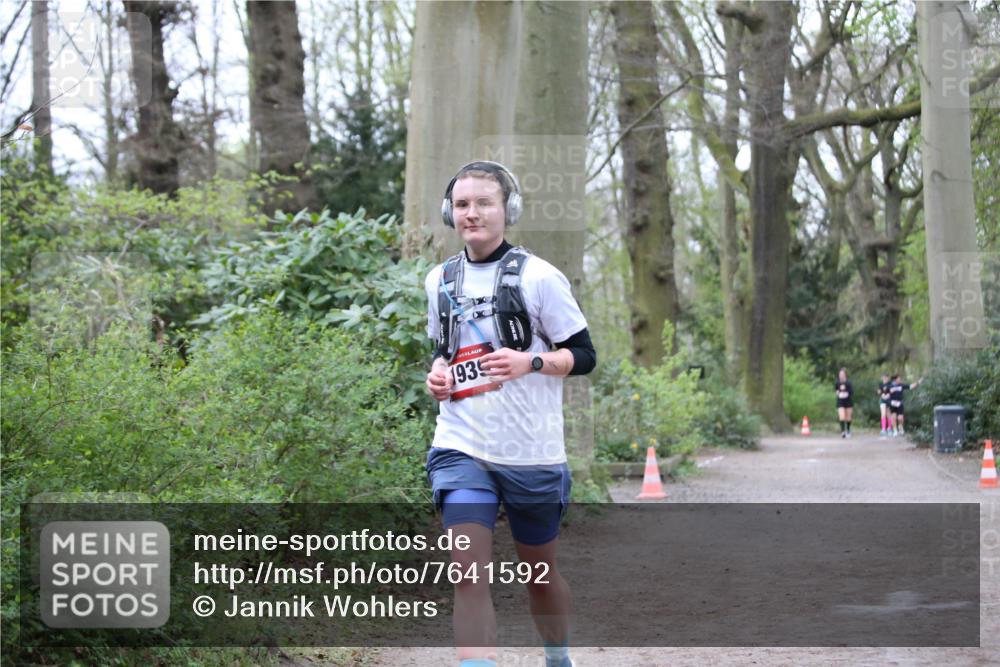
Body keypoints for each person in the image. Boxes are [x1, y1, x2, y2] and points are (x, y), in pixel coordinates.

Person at [424, 160, 595, 667]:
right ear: (449, 212)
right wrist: (437, 373)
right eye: (461, 204)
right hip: (460, 444)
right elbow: (441, 348)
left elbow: (584, 356)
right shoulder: (439, 279)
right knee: (467, 574)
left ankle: (557, 656)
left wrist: (531, 361)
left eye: (483, 203)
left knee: (539, 575)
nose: (471, 214)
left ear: (507, 210)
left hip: (532, 452)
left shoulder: (541, 277)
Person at [835, 368, 854, 438]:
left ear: (845, 375)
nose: (841, 375)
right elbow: (836, 390)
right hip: (840, 401)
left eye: (842, 374)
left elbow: (852, 392)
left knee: (848, 417)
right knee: (842, 416)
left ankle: (848, 430)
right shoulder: (837, 382)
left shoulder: (849, 383)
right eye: (840, 374)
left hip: (848, 401)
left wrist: (846, 394)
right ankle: (843, 432)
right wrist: (838, 393)